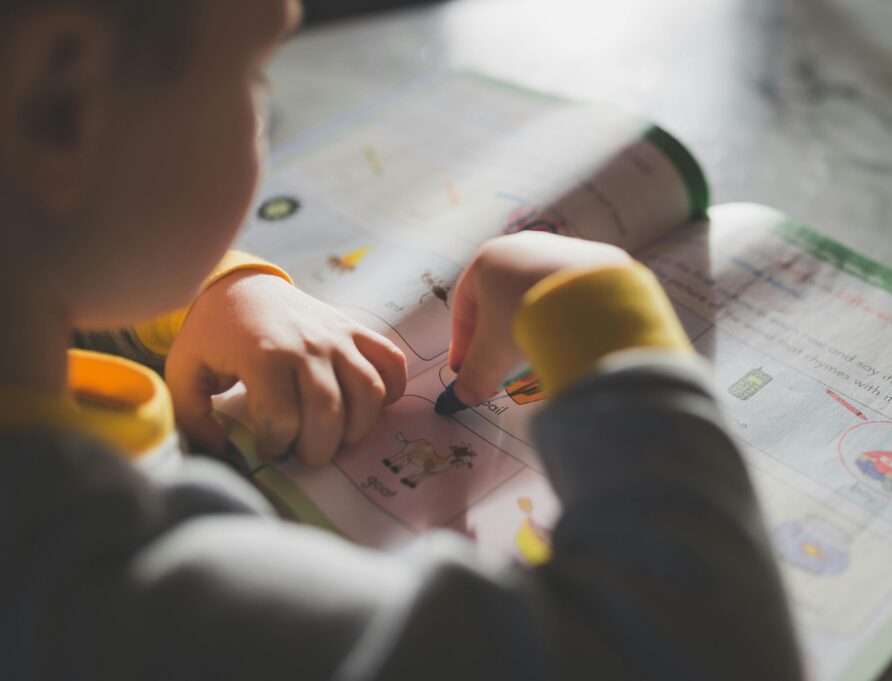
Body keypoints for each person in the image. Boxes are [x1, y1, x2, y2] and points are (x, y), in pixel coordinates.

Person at [0, 1, 803, 679]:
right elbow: (699, 652)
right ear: (63, 107)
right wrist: (607, 328)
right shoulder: (116, 600)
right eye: (253, 74)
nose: (262, 108)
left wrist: (216, 289)